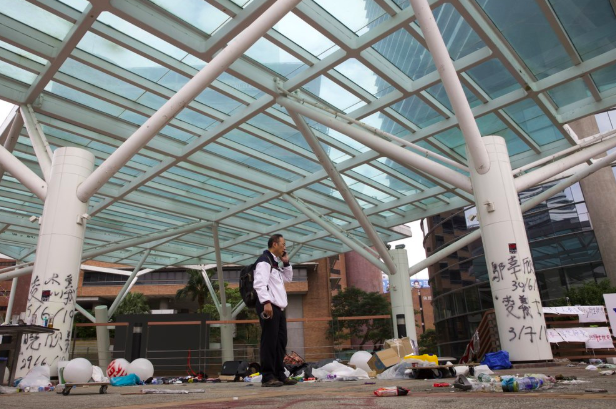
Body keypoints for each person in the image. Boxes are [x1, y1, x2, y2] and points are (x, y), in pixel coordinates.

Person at [253, 234, 296, 387]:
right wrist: (266, 302)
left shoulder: (275, 263)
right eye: (283, 244)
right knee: (269, 341)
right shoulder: (264, 261)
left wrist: (286, 263)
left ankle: (279, 373)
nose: (285, 247)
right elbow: (259, 283)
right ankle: (268, 376)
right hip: (269, 305)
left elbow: (288, 279)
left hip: (278, 307)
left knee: (280, 342)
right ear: (274, 244)